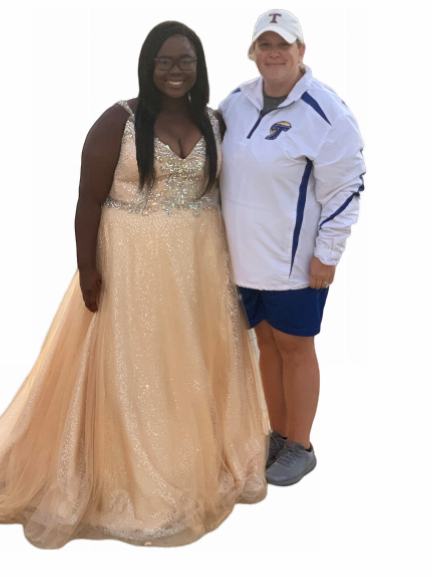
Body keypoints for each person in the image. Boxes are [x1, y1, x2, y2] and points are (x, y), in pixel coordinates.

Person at [0, 20, 271, 550]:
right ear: (147, 66)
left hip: (200, 266)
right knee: (138, 366)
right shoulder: (117, 121)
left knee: (192, 363)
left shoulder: (215, 120)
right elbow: (88, 202)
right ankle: (137, 476)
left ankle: (192, 458)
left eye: (185, 61)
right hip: (133, 263)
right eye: (165, 61)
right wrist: (88, 269)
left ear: (200, 68)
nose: (175, 71)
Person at [216, 9, 366, 487]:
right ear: (253, 53)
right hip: (241, 260)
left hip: (295, 263)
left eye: (284, 44)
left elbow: (347, 187)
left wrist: (329, 254)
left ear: (302, 51)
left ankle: (300, 446)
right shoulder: (236, 100)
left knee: (295, 347)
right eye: (265, 45)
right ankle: (275, 436)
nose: (274, 53)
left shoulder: (327, 111)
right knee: (263, 343)